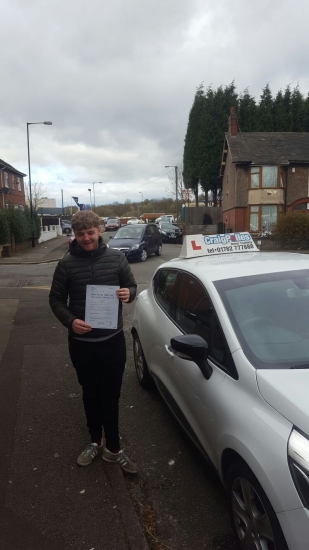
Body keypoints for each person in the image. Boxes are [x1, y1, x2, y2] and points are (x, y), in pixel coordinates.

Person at [49, 211, 138, 473]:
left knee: (111, 394)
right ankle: (94, 442)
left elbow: (133, 287)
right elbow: (55, 300)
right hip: (82, 344)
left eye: (90, 232)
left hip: (112, 342)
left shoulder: (117, 258)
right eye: (80, 234)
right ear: (74, 235)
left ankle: (113, 449)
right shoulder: (65, 264)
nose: (86, 238)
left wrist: (127, 294)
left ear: (99, 230)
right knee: (90, 393)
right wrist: (70, 321)